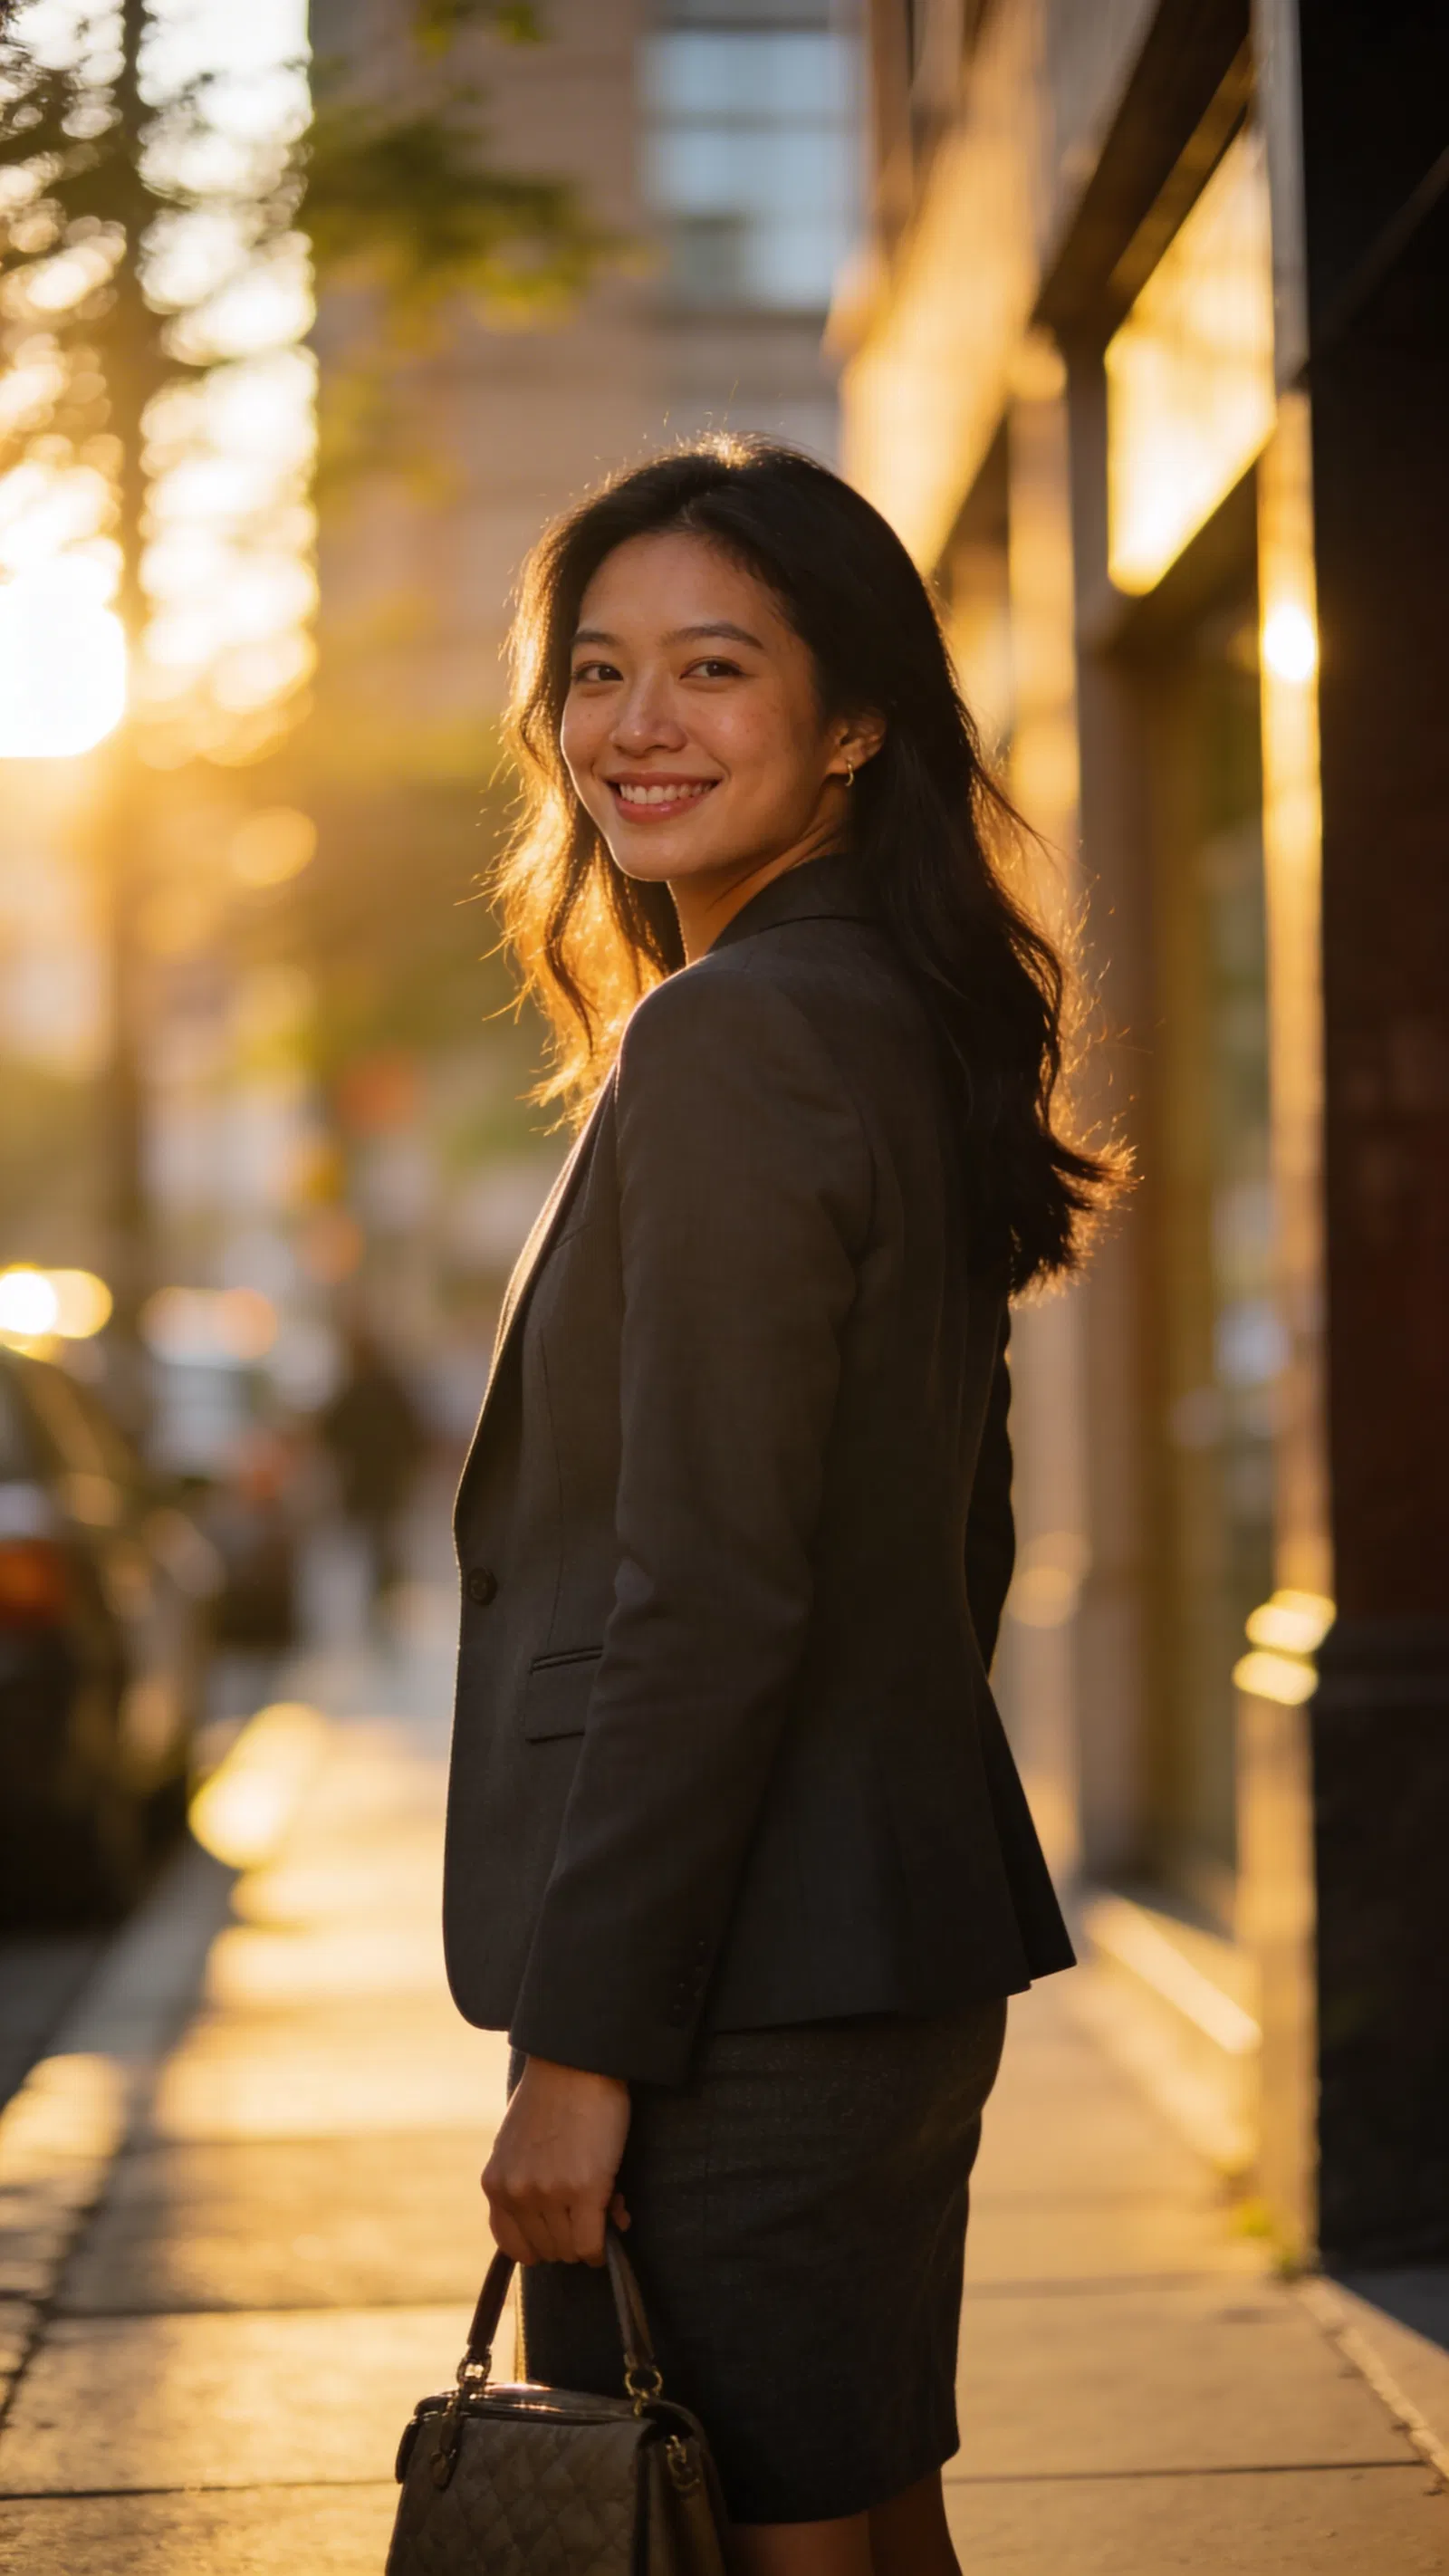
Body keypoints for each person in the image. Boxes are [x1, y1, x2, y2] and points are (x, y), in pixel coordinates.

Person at [445, 438, 1120, 2576]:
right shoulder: (884, 1022)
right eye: (598, 669)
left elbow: (707, 1594)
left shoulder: (738, 1040)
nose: (636, 727)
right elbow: (947, 1541)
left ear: (848, 726)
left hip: (738, 1990)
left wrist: (584, 2047)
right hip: (871, 1942)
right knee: (857, 2520)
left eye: (712, 668)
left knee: (765, 2538)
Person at [319, 1324, 427, 1622]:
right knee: (381, 1533)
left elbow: (329, 1430)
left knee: (372, 1534)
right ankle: (382, 1591)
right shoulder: (388, 1389)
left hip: (366, 1475)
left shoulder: (355, 1390)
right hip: (384, 1476)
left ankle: (380, 1591)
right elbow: (414, 1432)